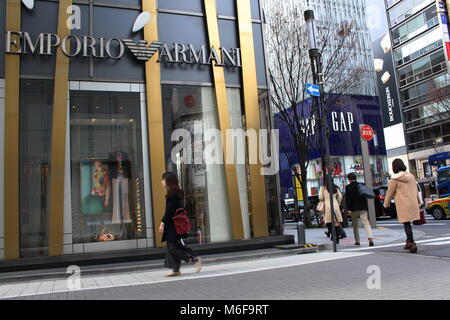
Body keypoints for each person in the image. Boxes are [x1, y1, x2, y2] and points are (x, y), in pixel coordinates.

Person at [158, 172, 202, 276]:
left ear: (168, 181)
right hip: (173, 224)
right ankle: (176, 270)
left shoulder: (173, 194)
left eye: (163, 179)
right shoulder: (174, 193)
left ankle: (194, 259)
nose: (162, 181)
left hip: (173, 225)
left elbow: (169, 211)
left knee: (173, 247)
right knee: (172, 247)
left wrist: (162, 223)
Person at [384, 159, 420, 253]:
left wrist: (386, 203)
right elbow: (416, 190)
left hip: (403, 204)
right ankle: (408, 242)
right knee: (408, 224)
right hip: (413, 202)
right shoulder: (411, 176)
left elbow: (390, 192)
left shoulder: (395, 178)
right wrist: (419, 201)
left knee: (406, 224)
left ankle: (412, 243)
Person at [345, 172, 374, 246]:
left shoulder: (348, 187)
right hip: (363, 207)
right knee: (366, 223)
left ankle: (357, 241)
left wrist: (348, 209)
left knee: (355, 225)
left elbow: (348, 199)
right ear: (355, 178)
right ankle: (370, 238)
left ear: (349, 179)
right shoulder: (361, 185)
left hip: (353, 209)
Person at [319, 177, 343, 244]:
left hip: (327, 206)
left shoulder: (323, 188)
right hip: (335, 205)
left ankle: (333, 234)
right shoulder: (336, 187)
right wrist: (338, 202)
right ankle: (337, 238)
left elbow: (320, 197)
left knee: (328, 222)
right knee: (337, 223)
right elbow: (340, 196)